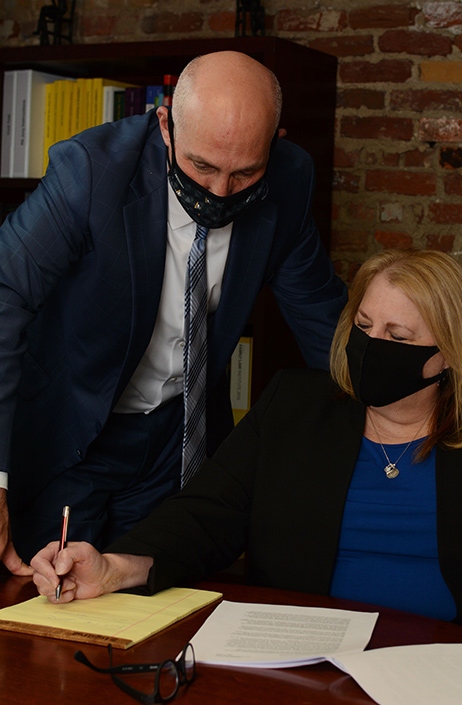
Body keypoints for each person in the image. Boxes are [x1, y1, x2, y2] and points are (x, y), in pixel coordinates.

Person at [31, 249, 462, 676]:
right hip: (308, 664)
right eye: (364, 326)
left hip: (457, 667)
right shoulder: (295, 406)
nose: (373, 345)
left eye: (398, 335)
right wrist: (116, 565)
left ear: (447, 355)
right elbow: (207, 513)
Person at [0, 50, 347, 572]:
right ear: (165, 124)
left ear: (275, 145)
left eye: (244, 173)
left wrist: (399, 416)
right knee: (55, 611)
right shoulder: (92, 171)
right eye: (201, 166)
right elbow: (5, 292)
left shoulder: (291, 178)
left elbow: (325, 322)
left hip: (177, 439)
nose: (218, 192)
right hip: (68, 433)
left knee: (161, 604)